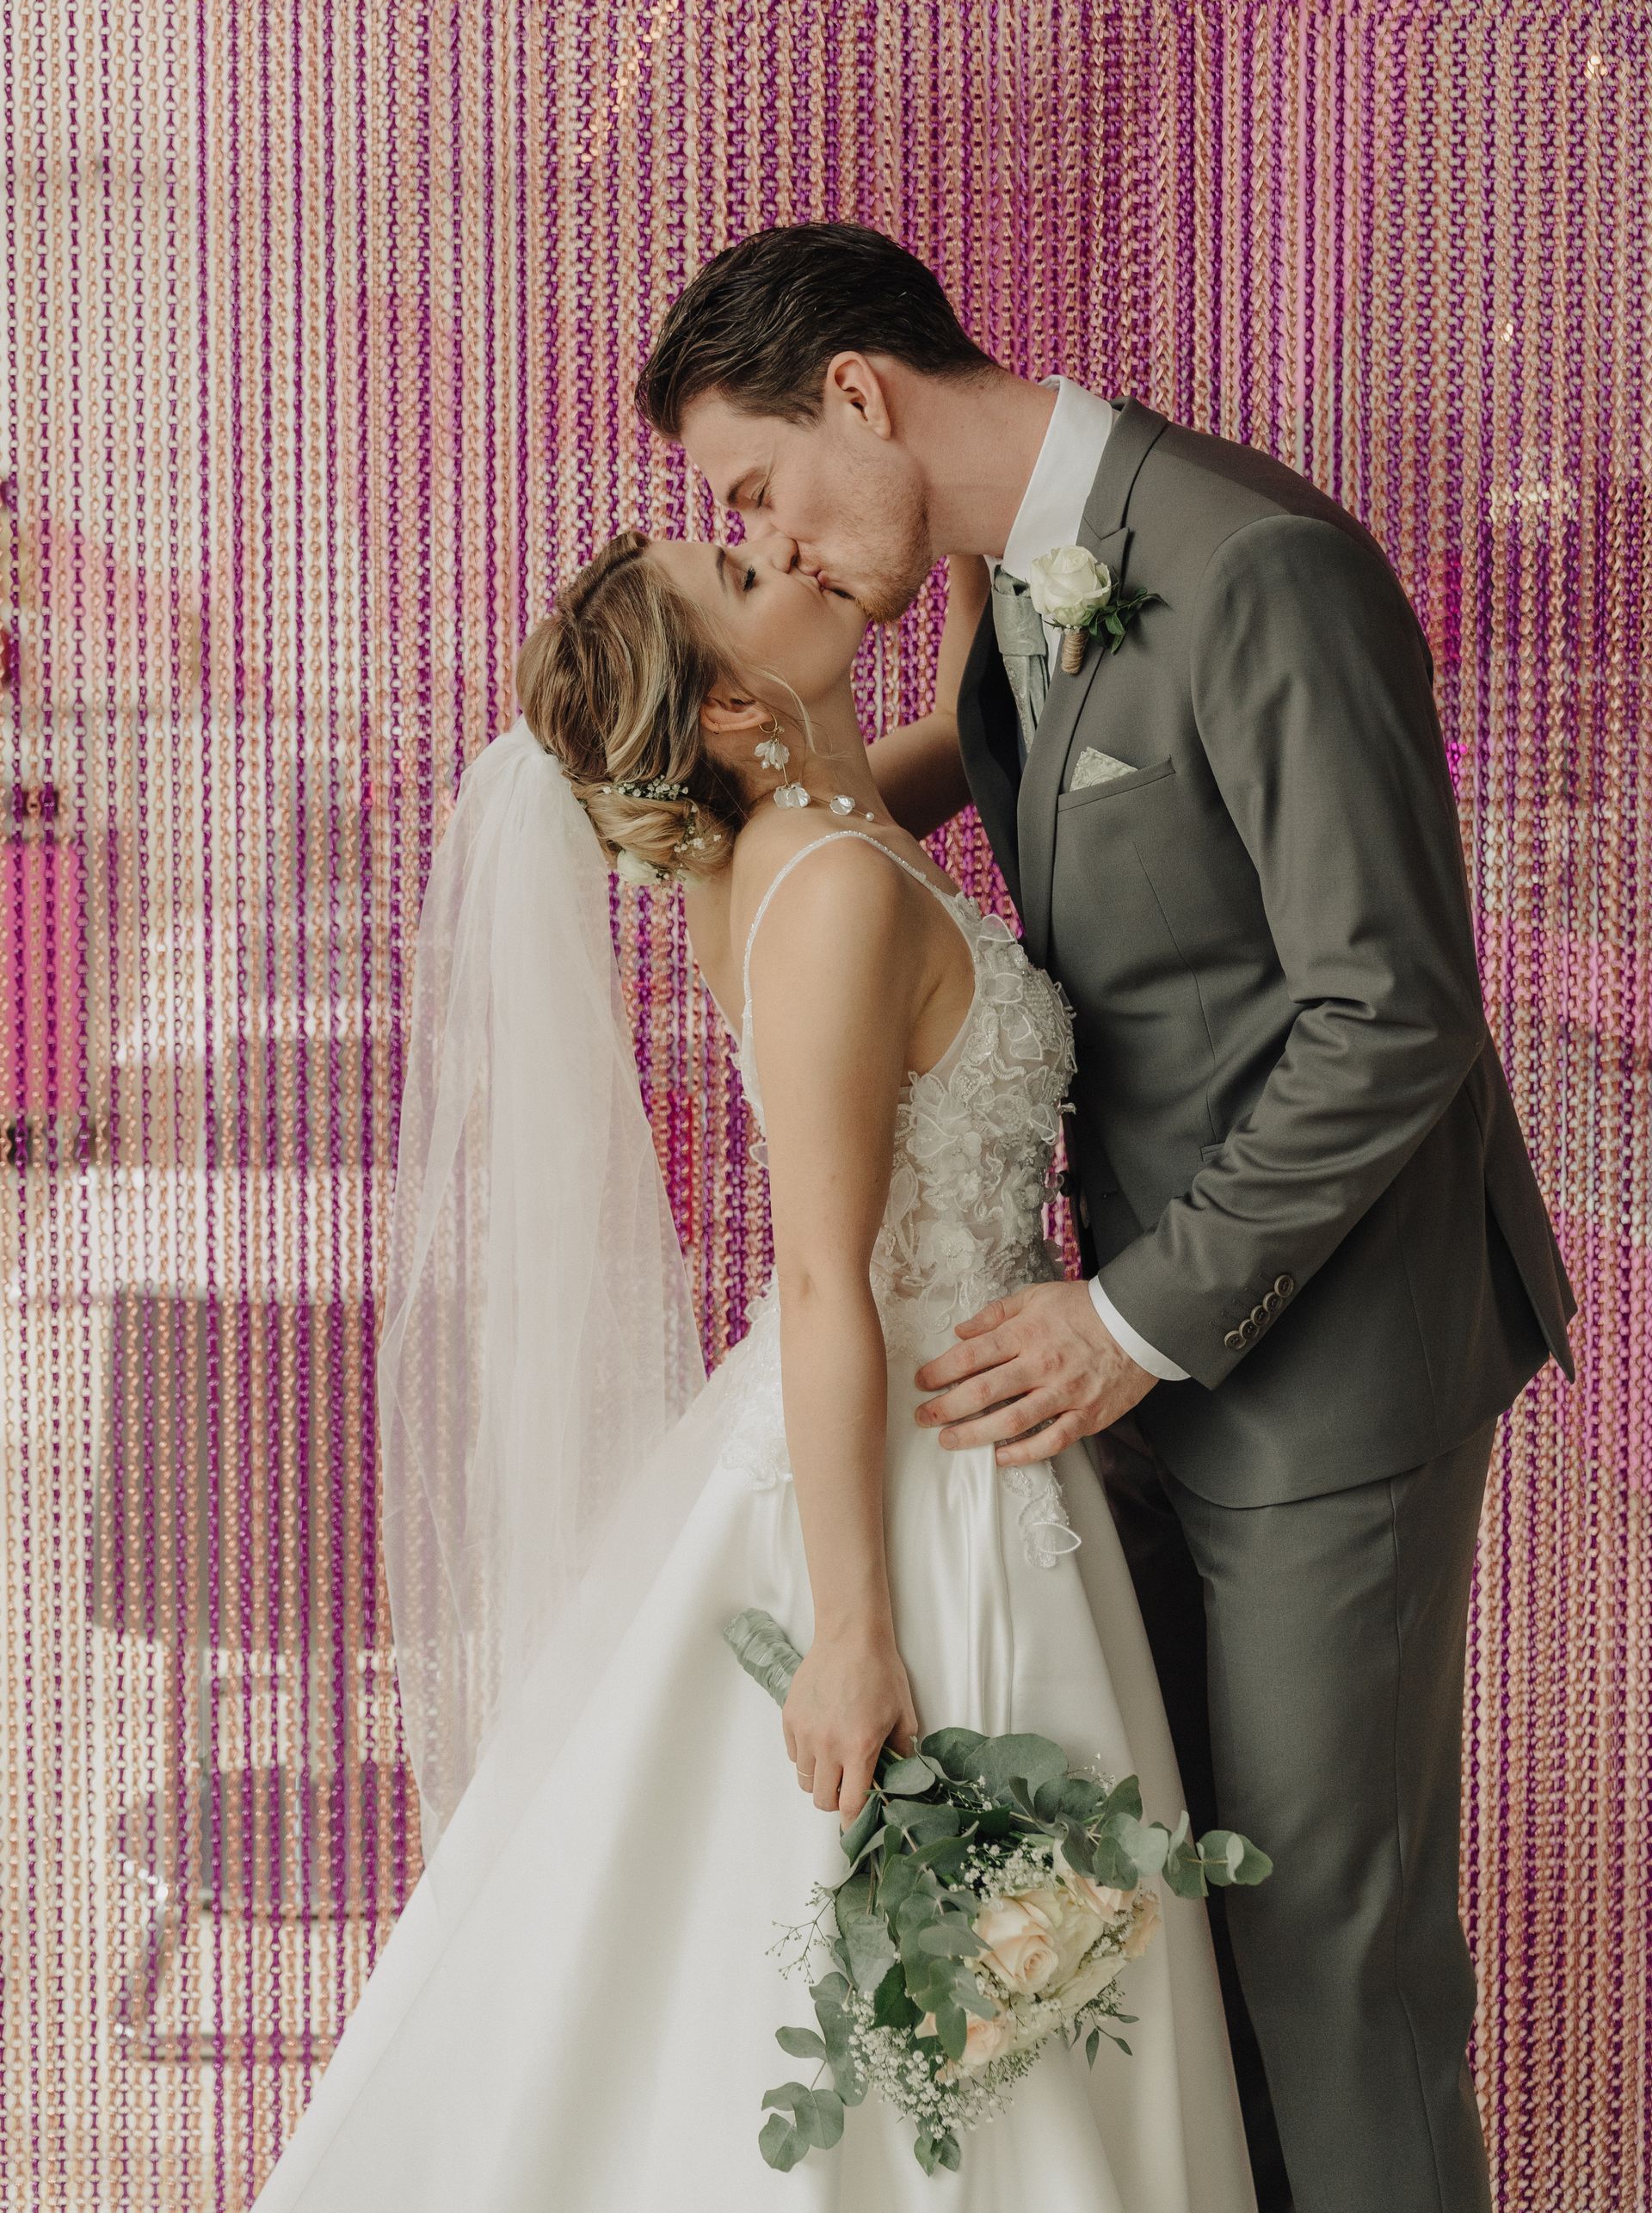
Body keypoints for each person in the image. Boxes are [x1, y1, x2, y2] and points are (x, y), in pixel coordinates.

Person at [632, 221, 1578, 2213]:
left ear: (862, 395)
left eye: (761, 488)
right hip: (1122, 1371)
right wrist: (676, 804)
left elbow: (1395, 1015)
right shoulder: (1016, 577)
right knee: (1179, 1922)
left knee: (1326, 1953)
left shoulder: (1258, 568)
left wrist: (1130, 1319)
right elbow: (958, 812)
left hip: (1325, 1361)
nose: (772, 543)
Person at [250, 521, 1257, 2208]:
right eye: (742, 566)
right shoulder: (831, 888)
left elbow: (956, 742)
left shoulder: (816, 827)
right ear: (729, 710)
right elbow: (817, 1281)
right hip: (920, 1457)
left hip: (968, 1419)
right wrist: (854, 1630)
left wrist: (949, 537)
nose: (785, 544)